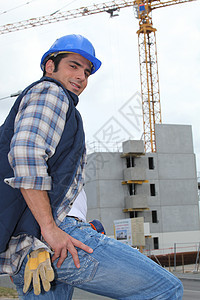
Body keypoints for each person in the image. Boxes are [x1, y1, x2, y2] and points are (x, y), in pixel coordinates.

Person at [0, 34, 183, 299]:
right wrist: (51, 230)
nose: (81, 77)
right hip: (58, 237)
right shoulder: (51, 92)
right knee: (165, 289)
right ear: (50, 66)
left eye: (86, 72)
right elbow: (26, 154)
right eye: (73, 66)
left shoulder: (49, 104)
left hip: (32, 250)